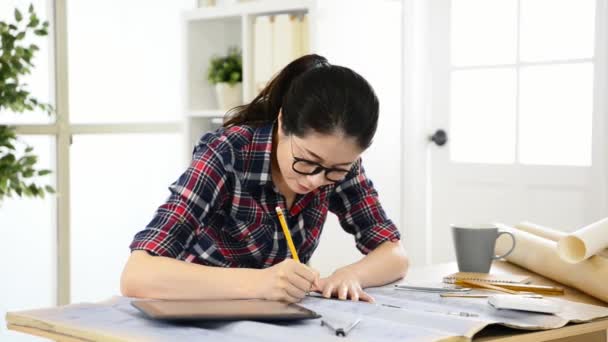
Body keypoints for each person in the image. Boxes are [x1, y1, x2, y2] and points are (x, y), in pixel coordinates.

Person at [121, 54, 409, 303]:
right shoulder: (227, 153)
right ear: (283, 123)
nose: (315, 181)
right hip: (195, 312)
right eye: (307, 161)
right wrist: (260, 283)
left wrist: (351, 275)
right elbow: (137, 274)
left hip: (275, 320)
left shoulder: (338, 165)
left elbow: (394, 254)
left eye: (336, 170)